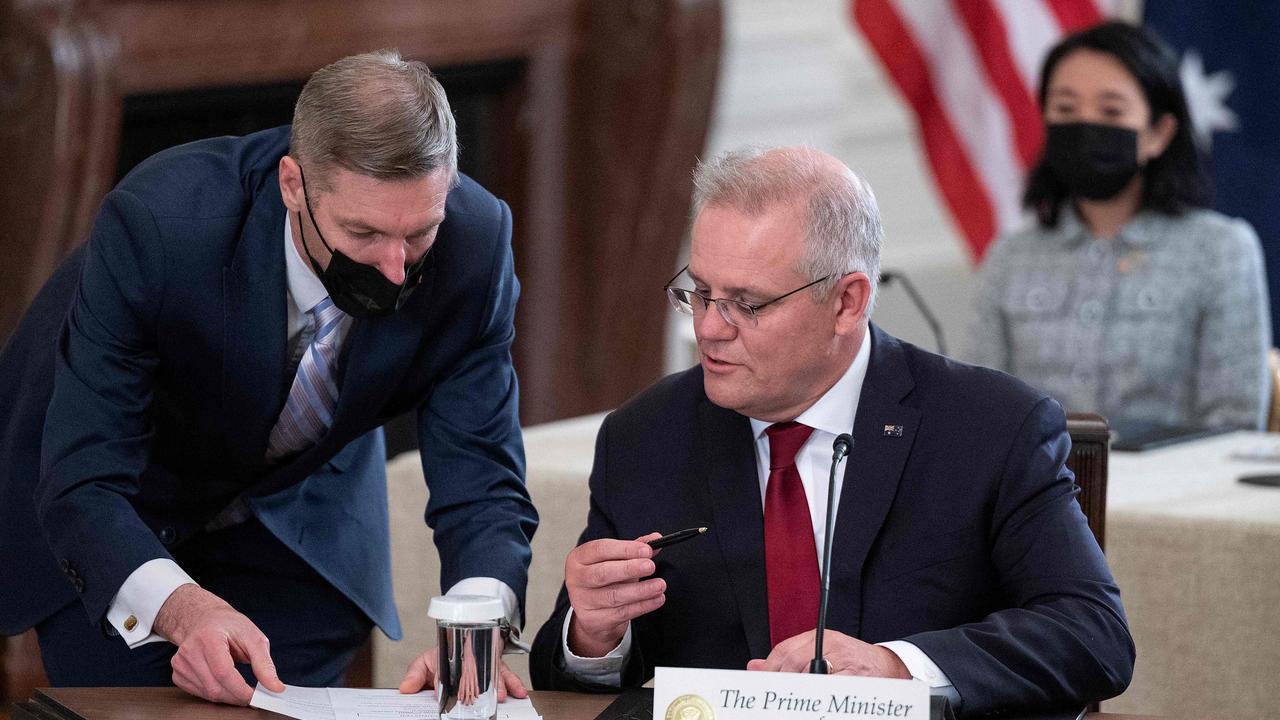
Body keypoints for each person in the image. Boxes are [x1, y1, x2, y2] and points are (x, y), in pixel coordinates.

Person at [0, 50, 536, 705]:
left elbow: (482, 473)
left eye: (418, 234)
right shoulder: (162, 224)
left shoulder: (476, 247)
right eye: (363, 233)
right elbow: (85, 475)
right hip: (119, 500)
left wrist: (474, 625)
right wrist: (183, 609)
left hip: (296, 511)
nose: (396, 270)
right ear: (292, 184)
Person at [528, 147, 1134, 716]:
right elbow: (569, 675)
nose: (710, 328)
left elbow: (1091, 633)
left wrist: (900, 668)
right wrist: (594, 634)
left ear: (847, 302)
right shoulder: (645, 436)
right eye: (702, 293)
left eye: (748, 304)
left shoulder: (990, 427)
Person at [967, 21, 1271, 434]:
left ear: (1158, 134)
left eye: (1111, 111)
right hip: (1036, 497)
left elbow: (1233, 424)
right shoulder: (1009, 258)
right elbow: (980, 414)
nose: (1086, 126)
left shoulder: (1220, 250)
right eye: (1066, 109)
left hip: (1172, 495)